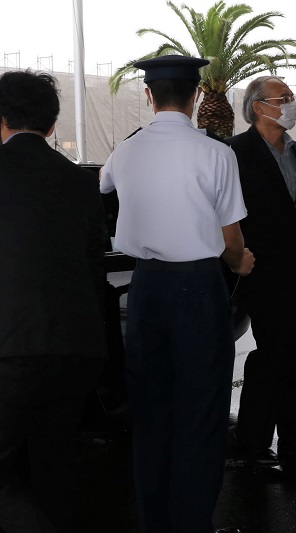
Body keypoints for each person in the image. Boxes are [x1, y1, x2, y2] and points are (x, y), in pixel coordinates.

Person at [99, 55, 254, 533]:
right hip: (196, 288)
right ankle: (192, 524)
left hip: (146, 289)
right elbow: (231, 236)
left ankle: (156, 523)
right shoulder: (215, 153)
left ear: (148, 96)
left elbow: (105, 187)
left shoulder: (124, 152)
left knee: (151, 412)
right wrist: (240, 262)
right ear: (195, 96)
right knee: (200, 411)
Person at [0, 69, 107, 532]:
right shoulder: (79, 179)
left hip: (9, 349)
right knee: (55, 466)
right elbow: (93, 254)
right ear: (50, 124)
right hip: (75, 346)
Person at [226, 76, 296, 468]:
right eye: (282, 98)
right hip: (262, 271)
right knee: (273, 357)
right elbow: (226, 214)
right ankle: (251, 446)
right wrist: (236, 256)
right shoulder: (233, 153)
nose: (291, 104)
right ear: (258, 106)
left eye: (291, 98)